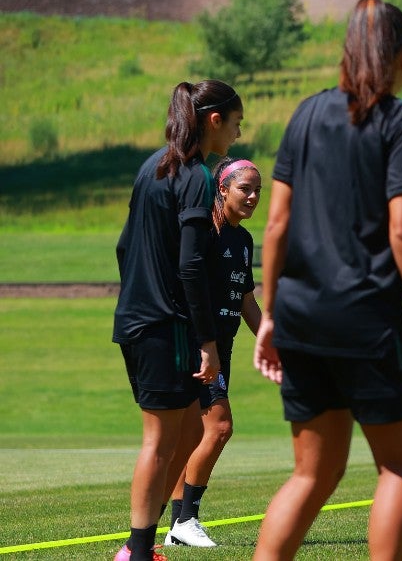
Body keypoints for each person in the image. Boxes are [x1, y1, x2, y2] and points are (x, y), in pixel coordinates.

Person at [251, 0, 402, 560]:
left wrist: (268, 313)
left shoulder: (305, 114)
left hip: (300, 318)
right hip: (368, 321)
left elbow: (277, 223)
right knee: (400, 466)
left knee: (312, 473)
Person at [112, 80, 244, 561]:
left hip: (142, 319)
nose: (237, 133)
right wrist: (207, 340)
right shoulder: (196, 176)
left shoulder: (151, 167)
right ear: (214, 120)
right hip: (165, 325)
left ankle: (140, 544)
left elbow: (124, 247)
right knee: (161, 442)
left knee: (189, 431)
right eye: (235, 123)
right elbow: (191, 265)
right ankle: (139, 550)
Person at [164, 158, 263, 547]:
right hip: (196, 346)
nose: (254, 197)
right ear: (222, 189)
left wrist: (273, 344)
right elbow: (185, 285)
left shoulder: (244, 240)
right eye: (245, 189)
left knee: (192, 437)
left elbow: (246, 303)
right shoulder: (203, 231)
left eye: (258, 190)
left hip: (224, 346)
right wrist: (203, 345)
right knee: (220, 428)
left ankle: (176, 528)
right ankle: (186, 518)